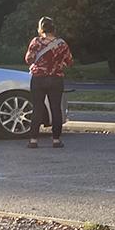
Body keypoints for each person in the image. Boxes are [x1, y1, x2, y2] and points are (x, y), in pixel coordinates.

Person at [24, 16, 73, 149]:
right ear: (54, 28)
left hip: (38, 78)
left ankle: (33, 140)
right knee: (55, 108)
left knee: (37, 108)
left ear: (40, 28)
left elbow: (28, 59)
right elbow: (69, 61)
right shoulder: (62, 44)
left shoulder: (36, 42)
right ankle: (56, 140)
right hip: (56, 78)